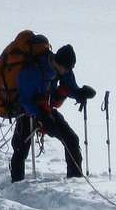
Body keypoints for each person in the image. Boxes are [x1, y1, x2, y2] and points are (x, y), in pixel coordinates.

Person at [10, 43, 95, 182]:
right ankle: (16, 183)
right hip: (26, 112)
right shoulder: (33, 71)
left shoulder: (63, 69)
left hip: (47, 110)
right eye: (65, 69)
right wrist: (41, 115)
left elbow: (70, 87)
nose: (67, 72)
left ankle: (75, 181)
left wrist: (79, 93)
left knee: (71, 139)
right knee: (21, 149)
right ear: (58, 62)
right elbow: (25, 100)